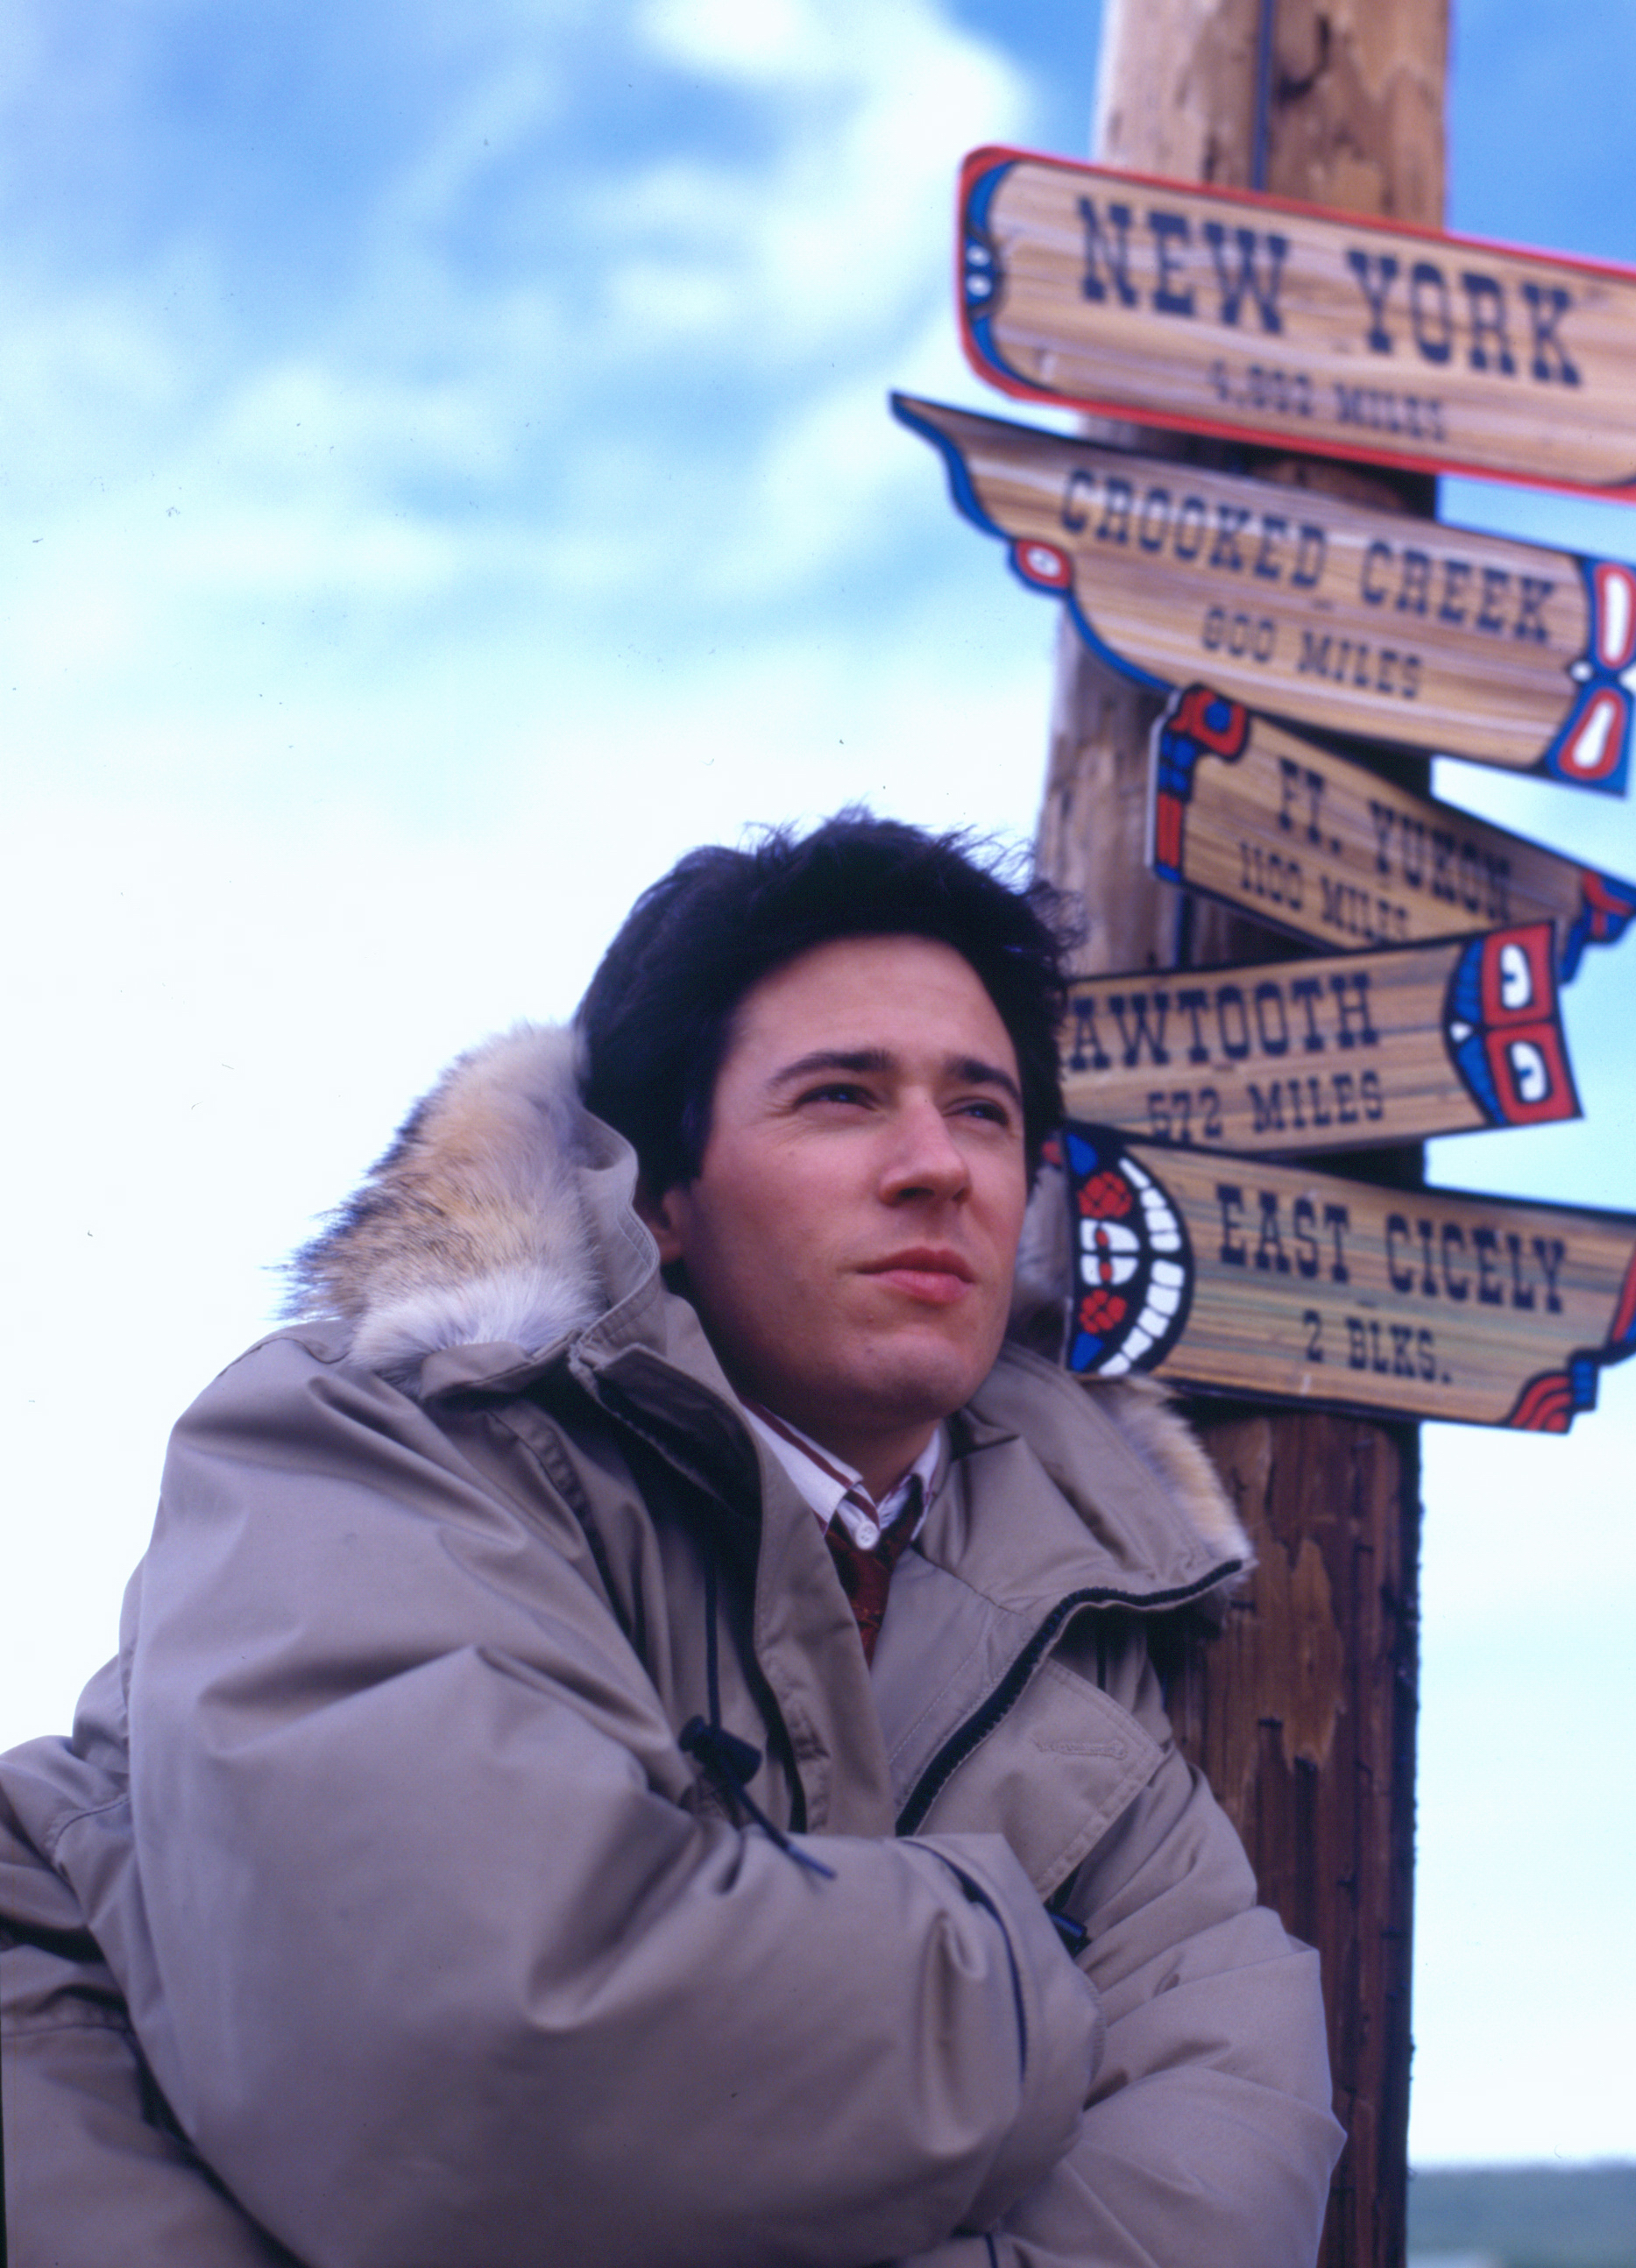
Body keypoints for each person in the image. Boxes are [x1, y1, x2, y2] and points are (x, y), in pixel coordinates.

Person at [0, 815, 1344, 2266]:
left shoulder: (1100, 1604)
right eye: (840, 1098)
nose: (934, 1166)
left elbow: (1231, 2153)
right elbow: (506, 2058)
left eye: (982, 1111)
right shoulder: (370, 1443)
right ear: (664, 1197)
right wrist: (1029, 1973)